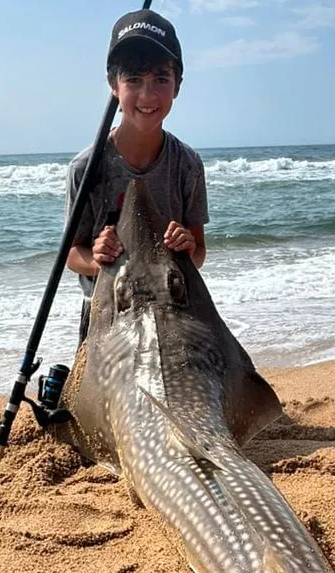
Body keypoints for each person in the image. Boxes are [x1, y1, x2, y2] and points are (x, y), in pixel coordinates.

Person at [65, 9, 208, 341]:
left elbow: (199, 251)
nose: (147, 94)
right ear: (113, 85)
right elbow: (71, 255)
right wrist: (99, 260)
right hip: (108, 313)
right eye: (133, 79)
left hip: (174, 313)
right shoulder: (86, 168)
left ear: (177, 85)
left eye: (161, 79)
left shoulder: (187, 164)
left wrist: (187, 250)